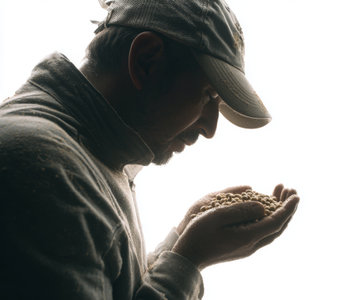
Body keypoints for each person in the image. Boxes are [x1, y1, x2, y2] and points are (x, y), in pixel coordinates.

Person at [0, 0, 300, 299]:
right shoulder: (49, 175)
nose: (210, 129)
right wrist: (188, 262)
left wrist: (179, 242)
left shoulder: (91, 156)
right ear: (146, 61)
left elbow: (109, 283)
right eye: (208, 95)